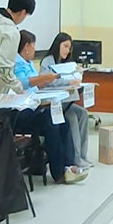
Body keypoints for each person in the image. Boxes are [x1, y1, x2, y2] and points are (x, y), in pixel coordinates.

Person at [15, 30, 87, 184]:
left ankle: (69, 166)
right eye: (34, 46)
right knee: (53, 121)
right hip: (21, 111)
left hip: (36, 104)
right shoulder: (16, 63)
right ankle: (59, 172)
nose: (35, 50)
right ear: (26, 46)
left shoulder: (28, 63)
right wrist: (46, 79)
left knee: (62, 120)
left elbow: (38, 85)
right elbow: (23, 83)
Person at [41, 32, 93, 168]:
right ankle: (75, 159)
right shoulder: (48, 61)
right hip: (53, 103)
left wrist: (78, 75)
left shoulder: (67, 63)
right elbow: (46, 81)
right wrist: (68, 81)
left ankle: (82, 155)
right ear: (57, 45)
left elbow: (72, 78)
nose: (67, 50)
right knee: (72, 117)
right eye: (65, 46)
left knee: (83, 114)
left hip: (65, 101)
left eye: (69, 48)